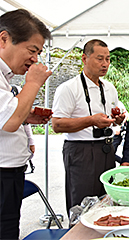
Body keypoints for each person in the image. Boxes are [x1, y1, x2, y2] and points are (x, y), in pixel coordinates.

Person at [52, 39, 126, 215]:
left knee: (106, 201)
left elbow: (110, 117)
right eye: (100, 59)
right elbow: (57, 124)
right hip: (81, 151)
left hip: (107, 148)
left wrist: (117, 120)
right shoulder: (69, 88)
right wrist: (91, 120)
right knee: (82, 205)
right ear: (84, 59)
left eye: (108, 59)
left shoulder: (109, 88)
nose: (105, 64)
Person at [0, 9, 52, 240]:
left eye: (39, 53)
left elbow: (8, 116)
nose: (35, 59)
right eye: (32, 51)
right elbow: (10, 121)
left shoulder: (6, 78)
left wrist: (27, 116)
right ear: (4, 39)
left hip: (10, 174)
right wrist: (33, 82)